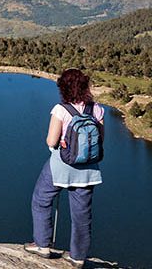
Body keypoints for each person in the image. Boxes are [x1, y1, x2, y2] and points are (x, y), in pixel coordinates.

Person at [24, 69, 104, 268]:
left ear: (64, 88)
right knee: (82, 214)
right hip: (88, 170)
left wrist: (57, 144)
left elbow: (51, 140)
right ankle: (78, 257)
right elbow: (101, 140)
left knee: (41, 199)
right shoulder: (97, 109)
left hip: (62, 165)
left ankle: (42, 245)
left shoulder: (61, 110)